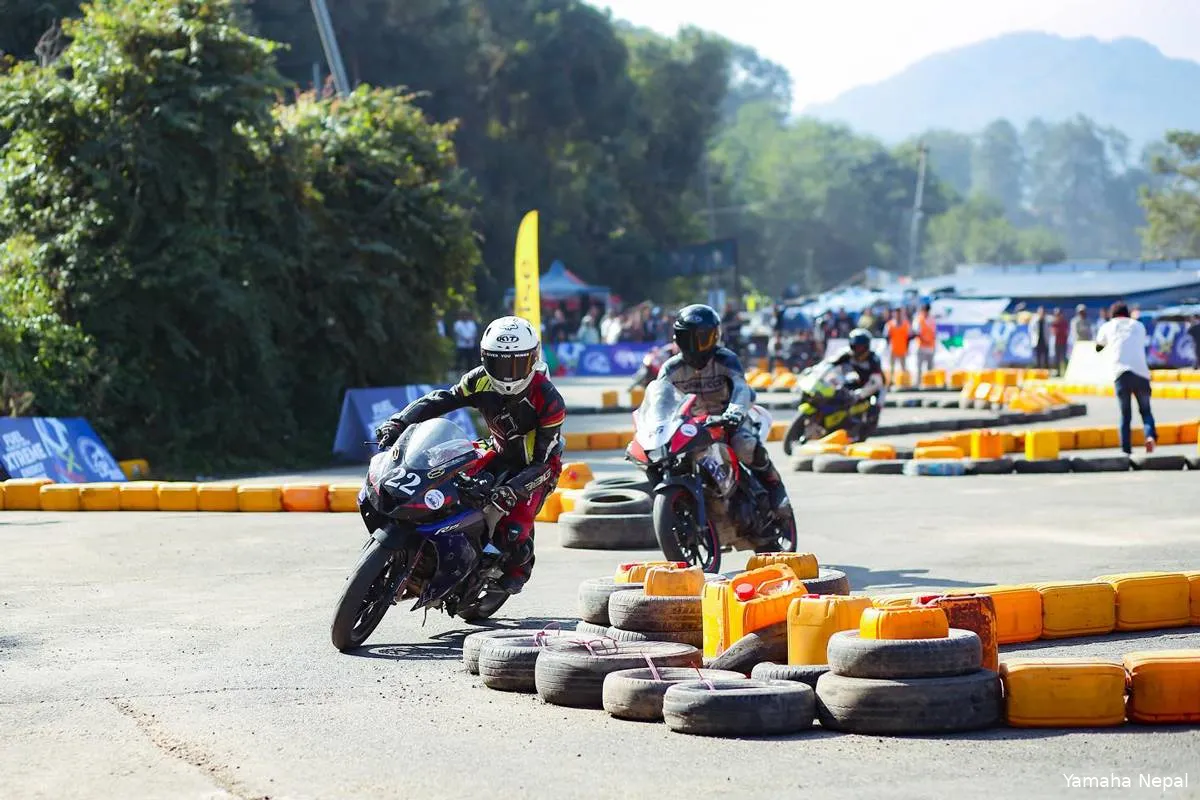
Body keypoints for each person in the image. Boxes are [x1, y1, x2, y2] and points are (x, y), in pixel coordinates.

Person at [373, 316, 566, 594]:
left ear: (533, 359)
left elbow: (544, 461)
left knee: (514, 529)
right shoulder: (478, 380)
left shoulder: (549, 399)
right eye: (499, 363)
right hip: (496, 449)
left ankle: (519, 568)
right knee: (441, 476)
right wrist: (400, 421)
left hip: (536, 468)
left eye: (516, 363)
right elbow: (440, 400)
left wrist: (513, 489)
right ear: (485, 358)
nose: (507, 374)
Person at [658, 304, 789, 517]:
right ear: (680, 338)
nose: (698, 346)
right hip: (694, 425)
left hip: (729, 419)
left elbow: (740, 387)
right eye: (692, 338)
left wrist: (735, 412)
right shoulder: (670, 369)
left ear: (716, 336)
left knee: (744, 446)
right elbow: (658, 398)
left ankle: (774, 484)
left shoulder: (726, 358)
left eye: (705, 338)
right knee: (669, 458)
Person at [1095, 302, 1156, 456]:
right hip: (1141, 373)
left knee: (1125, 415)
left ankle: (1126, 450)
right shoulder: (1138, 326)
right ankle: (1149, 436)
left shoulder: (1107, 326)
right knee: (1146, 411)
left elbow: (1098, 346)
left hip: (1121, 373)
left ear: (1112, 314)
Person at [831, 328, 886, 440]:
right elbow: (830, 363)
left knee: (874, 408)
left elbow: (876, 382)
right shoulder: (846, 354)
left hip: (876, 386)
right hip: (858, 381)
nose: (858, 350)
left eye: (861, 347)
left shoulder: (873, 359)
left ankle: (864, 431)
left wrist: (861, 394)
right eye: (855, 346)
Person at [883, 309, 910, 388]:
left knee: (903, 367)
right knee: (892, 367)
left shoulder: (905, 324)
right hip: (893, 348)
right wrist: (888, 347)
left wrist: (907, 348)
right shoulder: (890, 324)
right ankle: (891, 382)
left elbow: (908, 336)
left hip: (902, 348)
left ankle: (904, 382)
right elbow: (886, 336)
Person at [912, 303, 937, 386]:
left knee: (930, 366)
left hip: (930, 346)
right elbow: (916, 332)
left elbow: (934, 333)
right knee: (919, 366)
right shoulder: (918, 319)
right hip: (921, 345)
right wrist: (924, 339)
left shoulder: (932, 320)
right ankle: (918, 382)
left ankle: (929, 383)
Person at [1051, 308, 1070, 375]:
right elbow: (1054, 332)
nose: (1058, 316)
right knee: (1057, 359)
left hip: (1063, 343)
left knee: (1064, 358)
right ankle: (1058, 373)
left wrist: (1059, 331)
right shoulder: (1054, 323)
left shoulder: (1064, 322)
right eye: (1056, 314)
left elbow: (1066, 332)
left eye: (1059, 314)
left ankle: (1065, 373)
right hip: (1056, 343)